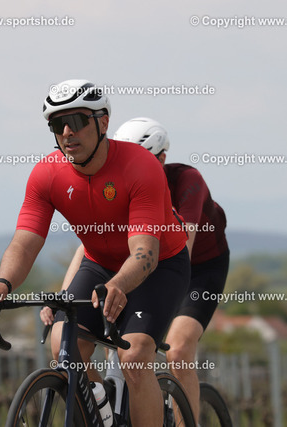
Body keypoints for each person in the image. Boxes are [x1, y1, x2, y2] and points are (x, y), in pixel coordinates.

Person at [0, 82, 190, 426]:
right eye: (58, 124)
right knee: (63, 347)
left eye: (76, 121)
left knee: (134, 356)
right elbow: (25, 242)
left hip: (158, 267)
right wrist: (2, 285)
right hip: (99, 265)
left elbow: (144, 252)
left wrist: (119, 285)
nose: (67, 132)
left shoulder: (140, 166)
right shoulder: (47, 174)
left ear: (103, 122)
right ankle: (103, 413)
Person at [41, 117, 229, 423]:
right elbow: (88, 248)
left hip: (195, 267)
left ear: (162, 159)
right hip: (138, 264)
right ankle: (105, 412)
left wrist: (151, 315)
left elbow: (185, 246)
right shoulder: (117, 180)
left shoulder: (186, 181)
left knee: (178, 349)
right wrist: (64, 296)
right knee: (109, 342)